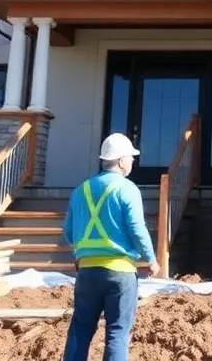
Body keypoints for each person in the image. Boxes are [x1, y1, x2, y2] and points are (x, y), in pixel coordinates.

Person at [62, 133, 158, 361]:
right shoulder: (127, 189)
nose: (133, 162)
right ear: (122, 160)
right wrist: (151, 259)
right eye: (131, 158)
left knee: (81, 329)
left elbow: (68, 231)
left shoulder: (80, 190)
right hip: (120, 273)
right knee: (117, 333)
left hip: (87, 271)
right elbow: (137, 228)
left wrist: (82, 253)